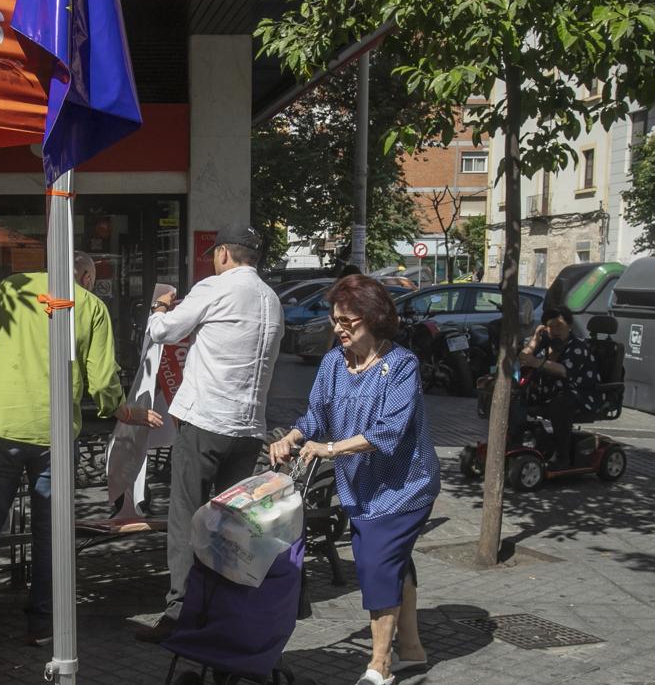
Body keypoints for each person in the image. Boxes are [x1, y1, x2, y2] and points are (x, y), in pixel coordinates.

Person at [0, 252, 161, 649]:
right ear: (85, 275)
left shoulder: (11, 288)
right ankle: (42, 625)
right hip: (53, 436)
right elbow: (102, 381)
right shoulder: (91, 306)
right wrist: (123, 410)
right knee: (51, 535)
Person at [269, 274, 441, 685]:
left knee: (375, 563)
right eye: (335, 320)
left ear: (374, 319)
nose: (338, 328)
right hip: (361, 487)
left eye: (348, 321)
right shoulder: (332, 363)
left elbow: (386, 434)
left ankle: (379, 664)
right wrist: (293, 437)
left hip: (404, 487)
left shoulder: (401, 365)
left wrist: (327, 450)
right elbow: (316, 417)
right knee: (392, 562)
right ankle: (412, 650)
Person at [135, 223, 283, 643]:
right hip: (248, 428)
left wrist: (161, 307)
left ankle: (181, 610)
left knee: (187, 518)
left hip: (204, 423)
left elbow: (162, 332)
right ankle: (226, 612)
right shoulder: (272, 300)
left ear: (222, 255)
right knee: (232, 526)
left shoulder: (214, 288)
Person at [517, 305, 599, 468]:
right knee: (517, 398)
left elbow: (564, 371)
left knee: (561, 404)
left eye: (559, 325)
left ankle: (562, 456)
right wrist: (535, 340)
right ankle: (532, 442)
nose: (555, 330)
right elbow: (523, 358)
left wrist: (537, 362)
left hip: (577, 394)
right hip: (549, 392)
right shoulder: (547, 342)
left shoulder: (578, 347)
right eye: (550, 326)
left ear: (569, 325)